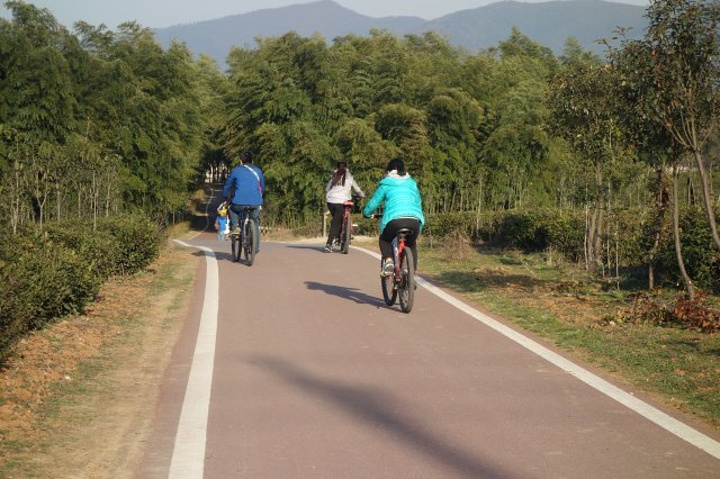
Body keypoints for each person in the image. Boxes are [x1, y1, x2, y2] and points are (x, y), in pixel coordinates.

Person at [362, 157, 424, 276]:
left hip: (394, 221)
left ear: (388, 170)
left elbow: (374, 203)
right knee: (411, 244)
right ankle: (411, 274)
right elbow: (418, 203)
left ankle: (389, 261)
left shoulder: (386, 183)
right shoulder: (412, 183)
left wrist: (366, 213)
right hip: (414, 220)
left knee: (384, 240)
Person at [222, 150, 265, 252]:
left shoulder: (236, 171)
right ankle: (256, 248)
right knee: (255, 222)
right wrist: (261, 197)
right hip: (256, 202)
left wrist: (225, 197)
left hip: (239, 203)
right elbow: (262, 187)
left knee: (232, 209)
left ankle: (236, 226)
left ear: (240, 161)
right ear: (252, 161)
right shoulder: (258, 171)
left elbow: (228, 185)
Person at [324, 160, 365, 252]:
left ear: (337, 167)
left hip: (330, 201)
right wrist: (362, 195)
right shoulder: (349, 176)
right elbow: (357, 189)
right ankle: (329, 244)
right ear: (346, 167)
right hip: (341, 202)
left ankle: (338, 238)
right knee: (336, 222)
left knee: (336, 219)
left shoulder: (333, 176)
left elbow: (327, 189)